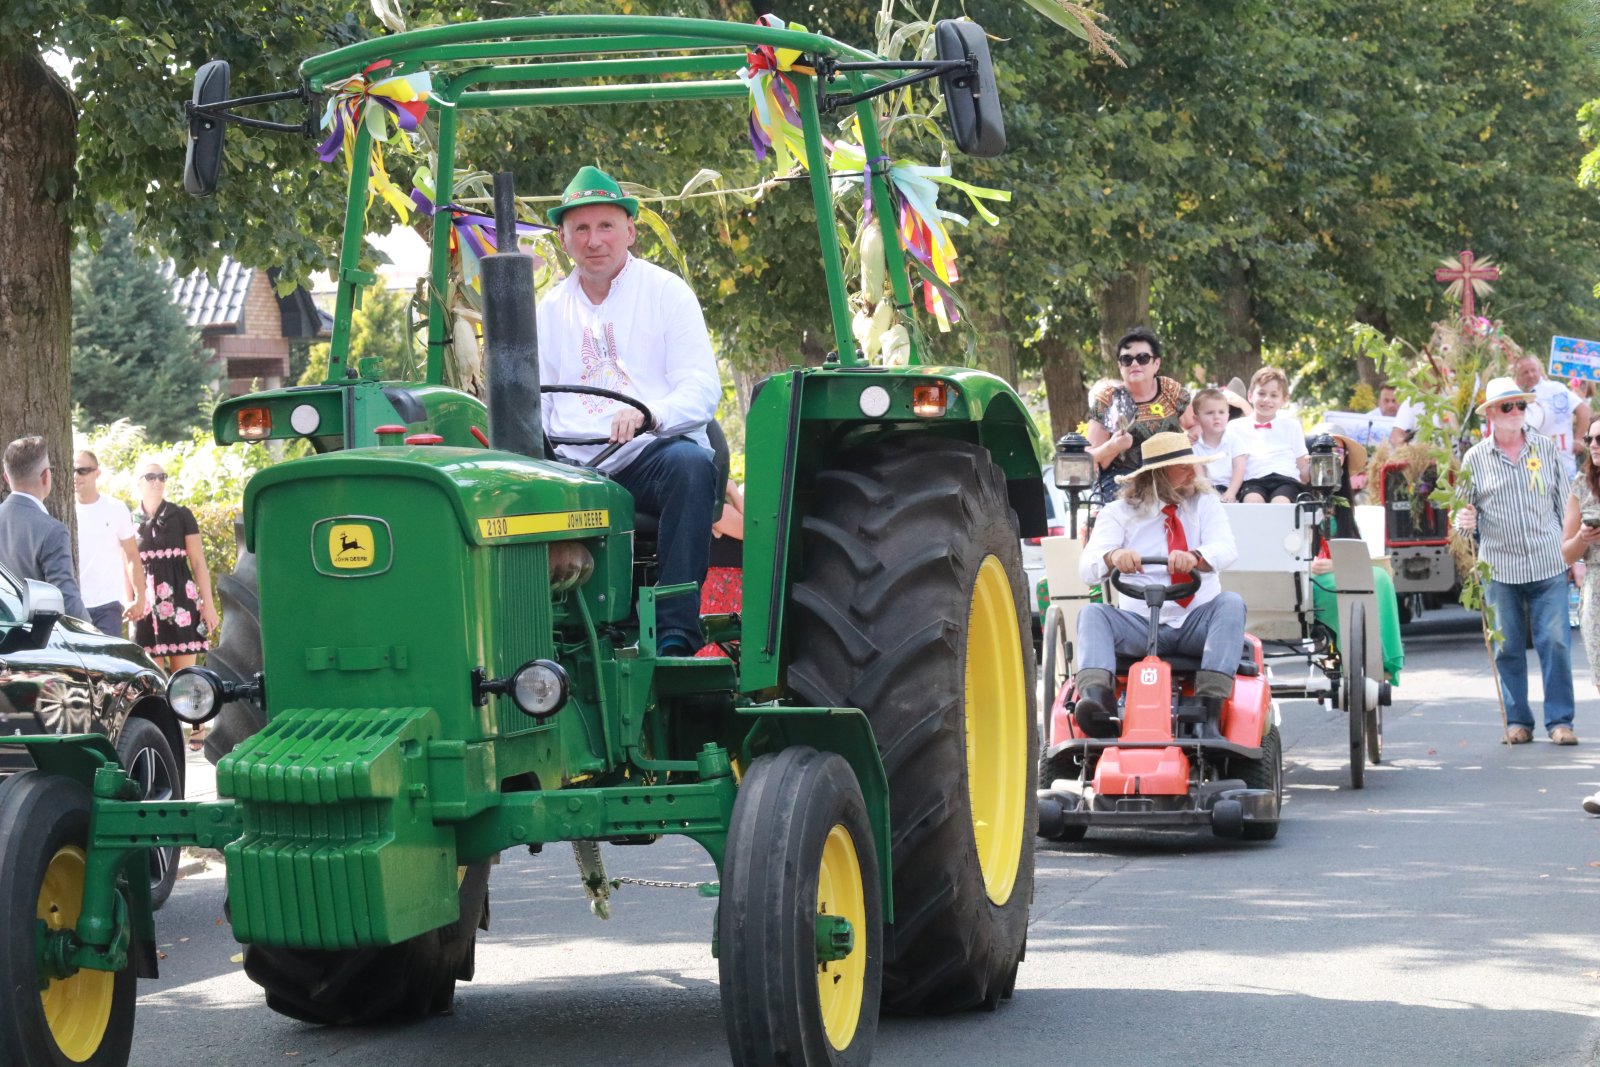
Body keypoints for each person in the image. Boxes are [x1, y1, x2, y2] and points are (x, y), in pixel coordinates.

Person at [537, 165, 721, 657]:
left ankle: (675, 631)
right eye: (581, 228)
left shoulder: (667, 294)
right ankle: (536, 629)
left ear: (630, 232)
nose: (594, 239)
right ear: (564, 238)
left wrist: (649, 415)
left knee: (691, 465)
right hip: (572, 464)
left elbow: (702, 388)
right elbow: (534, 400)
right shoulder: (549, 310)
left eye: (605, 226)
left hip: (645, 454)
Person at [1072, 432, 1243, 737]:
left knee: (1231, 603)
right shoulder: (1118, 513)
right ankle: (1098, 706)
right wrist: (1113, 556)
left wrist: (1196, 557)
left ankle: (1208, 714)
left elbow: (1227, 549)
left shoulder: (1205, 504)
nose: (1194, 472)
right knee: (1093, 615)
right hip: (1139, 623)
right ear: (1158, 476)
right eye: (1184, 467)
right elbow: (1087, 567)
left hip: (1196, 622)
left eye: (1193, 465)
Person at [1456, 378, 1576, 745]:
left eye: (1521, 406)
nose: (1515, 413)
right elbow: (1460, 514)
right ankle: (1517, 721)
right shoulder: (1475, 458)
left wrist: (1573, 553)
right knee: (1506, 646)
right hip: (1499, 567)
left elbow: (1564, 502)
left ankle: (1560, 722)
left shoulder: (1544, 447)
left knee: (1555, 642)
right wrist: (1463, 522)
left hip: (1547, 559)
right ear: (1491, 413)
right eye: (1507, 407)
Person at [1307, 432, 1404, 684]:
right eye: (1326, 453)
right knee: (1364, 584)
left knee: (1380, 577)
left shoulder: (1342, 502)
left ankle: (1381, 659)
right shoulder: (1298, 496)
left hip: (1339, 572)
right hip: (1306, 583)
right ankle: (1370, 657)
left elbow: (1352, 548)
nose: (1333, 458)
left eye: (1338, 453)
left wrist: (1337, 564)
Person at [134, 460, 219, 747]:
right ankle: (164, 733)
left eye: (162, 476)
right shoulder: (129, 519)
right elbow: (125, 564)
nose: (157, 481)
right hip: (146, 603)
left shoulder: (182, 515)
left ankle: (197, 727)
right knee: (152, 677)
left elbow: (198, 562)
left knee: (186, 674)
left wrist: (208, 604)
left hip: (180, 599)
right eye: (150, 476)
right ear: (139, 481)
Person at [1085, 327, 1194, 503]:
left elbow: (1193, 425)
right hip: (1124, 482)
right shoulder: (1108, 399)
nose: (1134, 364)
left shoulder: (1171, 390)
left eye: (1142, 358)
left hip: (1170, 476)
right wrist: (1113, 447)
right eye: (1127, 359)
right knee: (1140, 503)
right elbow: (1087, 457)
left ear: (1156, 363)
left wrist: (1190, 436)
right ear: (1120, 366)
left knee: (1198, 496)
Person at [0, 436, 86, 619]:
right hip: (36, 642)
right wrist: (95, 636)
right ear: (46, 476)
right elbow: (66, 600)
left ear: (6, 477)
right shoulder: (52, 531)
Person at [73, 450, 146, 637]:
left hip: (108, 605)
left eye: (82, 470)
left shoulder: (115, 508)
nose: (76, 476)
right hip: (72, 604)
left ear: (97, 473)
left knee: (106, 664)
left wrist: (140, 597)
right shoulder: (64, 509)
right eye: (72, 470)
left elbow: (131, 554)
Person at [1225, 366, 1308, 504]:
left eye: (1274, 395)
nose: (1266, 399)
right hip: (1252, 480)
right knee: (1252, 501)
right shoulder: (1235, 427)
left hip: (1285, 479)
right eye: (1261, 393)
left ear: (1284, 400)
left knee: (1280, 502)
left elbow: (1302, 467)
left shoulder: (1291, 425)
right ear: (1250, 396)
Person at [1560, 426, 1600, 704]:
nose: (1594, 445)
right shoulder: (1581, 484)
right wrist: (1582, 538)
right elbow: (1567, 554)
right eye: (1589, 439)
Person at [1512, 354, 1588, 481]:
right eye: (1525, 372)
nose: (1531, 375)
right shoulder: (1513, 397)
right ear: (1517, 377)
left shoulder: (1555, 389)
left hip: (1562, 462)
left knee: (1566, 499)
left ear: (1539, 371)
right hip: (1527, 467)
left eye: (1533, 370)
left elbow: (1584, 410)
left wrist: (1579, 438)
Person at [696, 480, 745, 659]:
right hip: (723, 585)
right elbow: (752, 529)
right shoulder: (717, 509)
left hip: (731, 583)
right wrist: (733, 492)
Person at [1189, 387, 1242, 500]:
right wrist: (1212, 496)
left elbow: (1239, 469)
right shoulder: (1195, 446)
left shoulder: (1234, 441)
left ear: (1228, 416)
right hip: (1206, 491)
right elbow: (1200, 477)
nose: (1217, 417)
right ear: (1197, 419)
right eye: (1209, 413)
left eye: (1221, 412)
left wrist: (1231, 492)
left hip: (1233, 489)